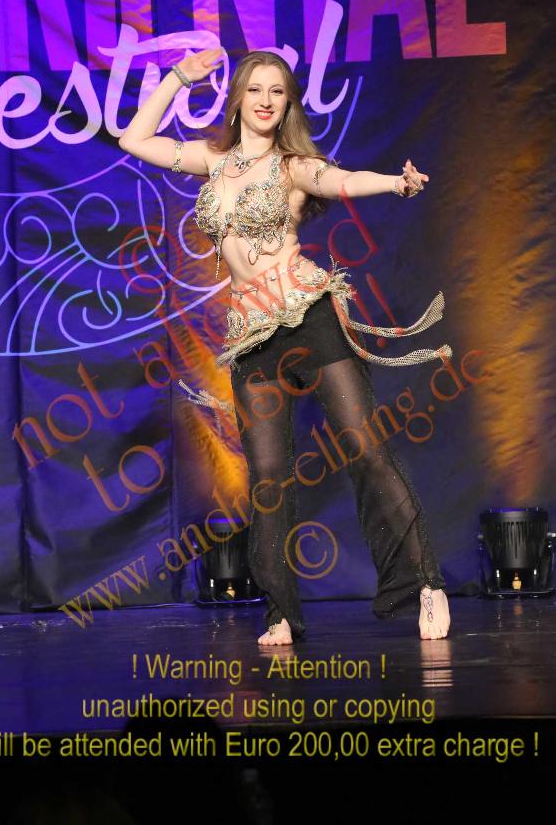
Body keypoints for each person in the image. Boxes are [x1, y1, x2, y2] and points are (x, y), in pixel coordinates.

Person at [119, 47, 452, 646]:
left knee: (365, 446)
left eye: (278, 91)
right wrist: (177, 78)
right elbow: (133, 139)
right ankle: (280, 611)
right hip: (252, 333)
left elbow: (343, 181)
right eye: (256, 89)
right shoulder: (212, 161)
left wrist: (395, 184)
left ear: (288, 103)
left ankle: (426, 583)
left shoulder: (294, 166)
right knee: (269, 476)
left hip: (307, 317)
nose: (266, 100)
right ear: (238, 99)